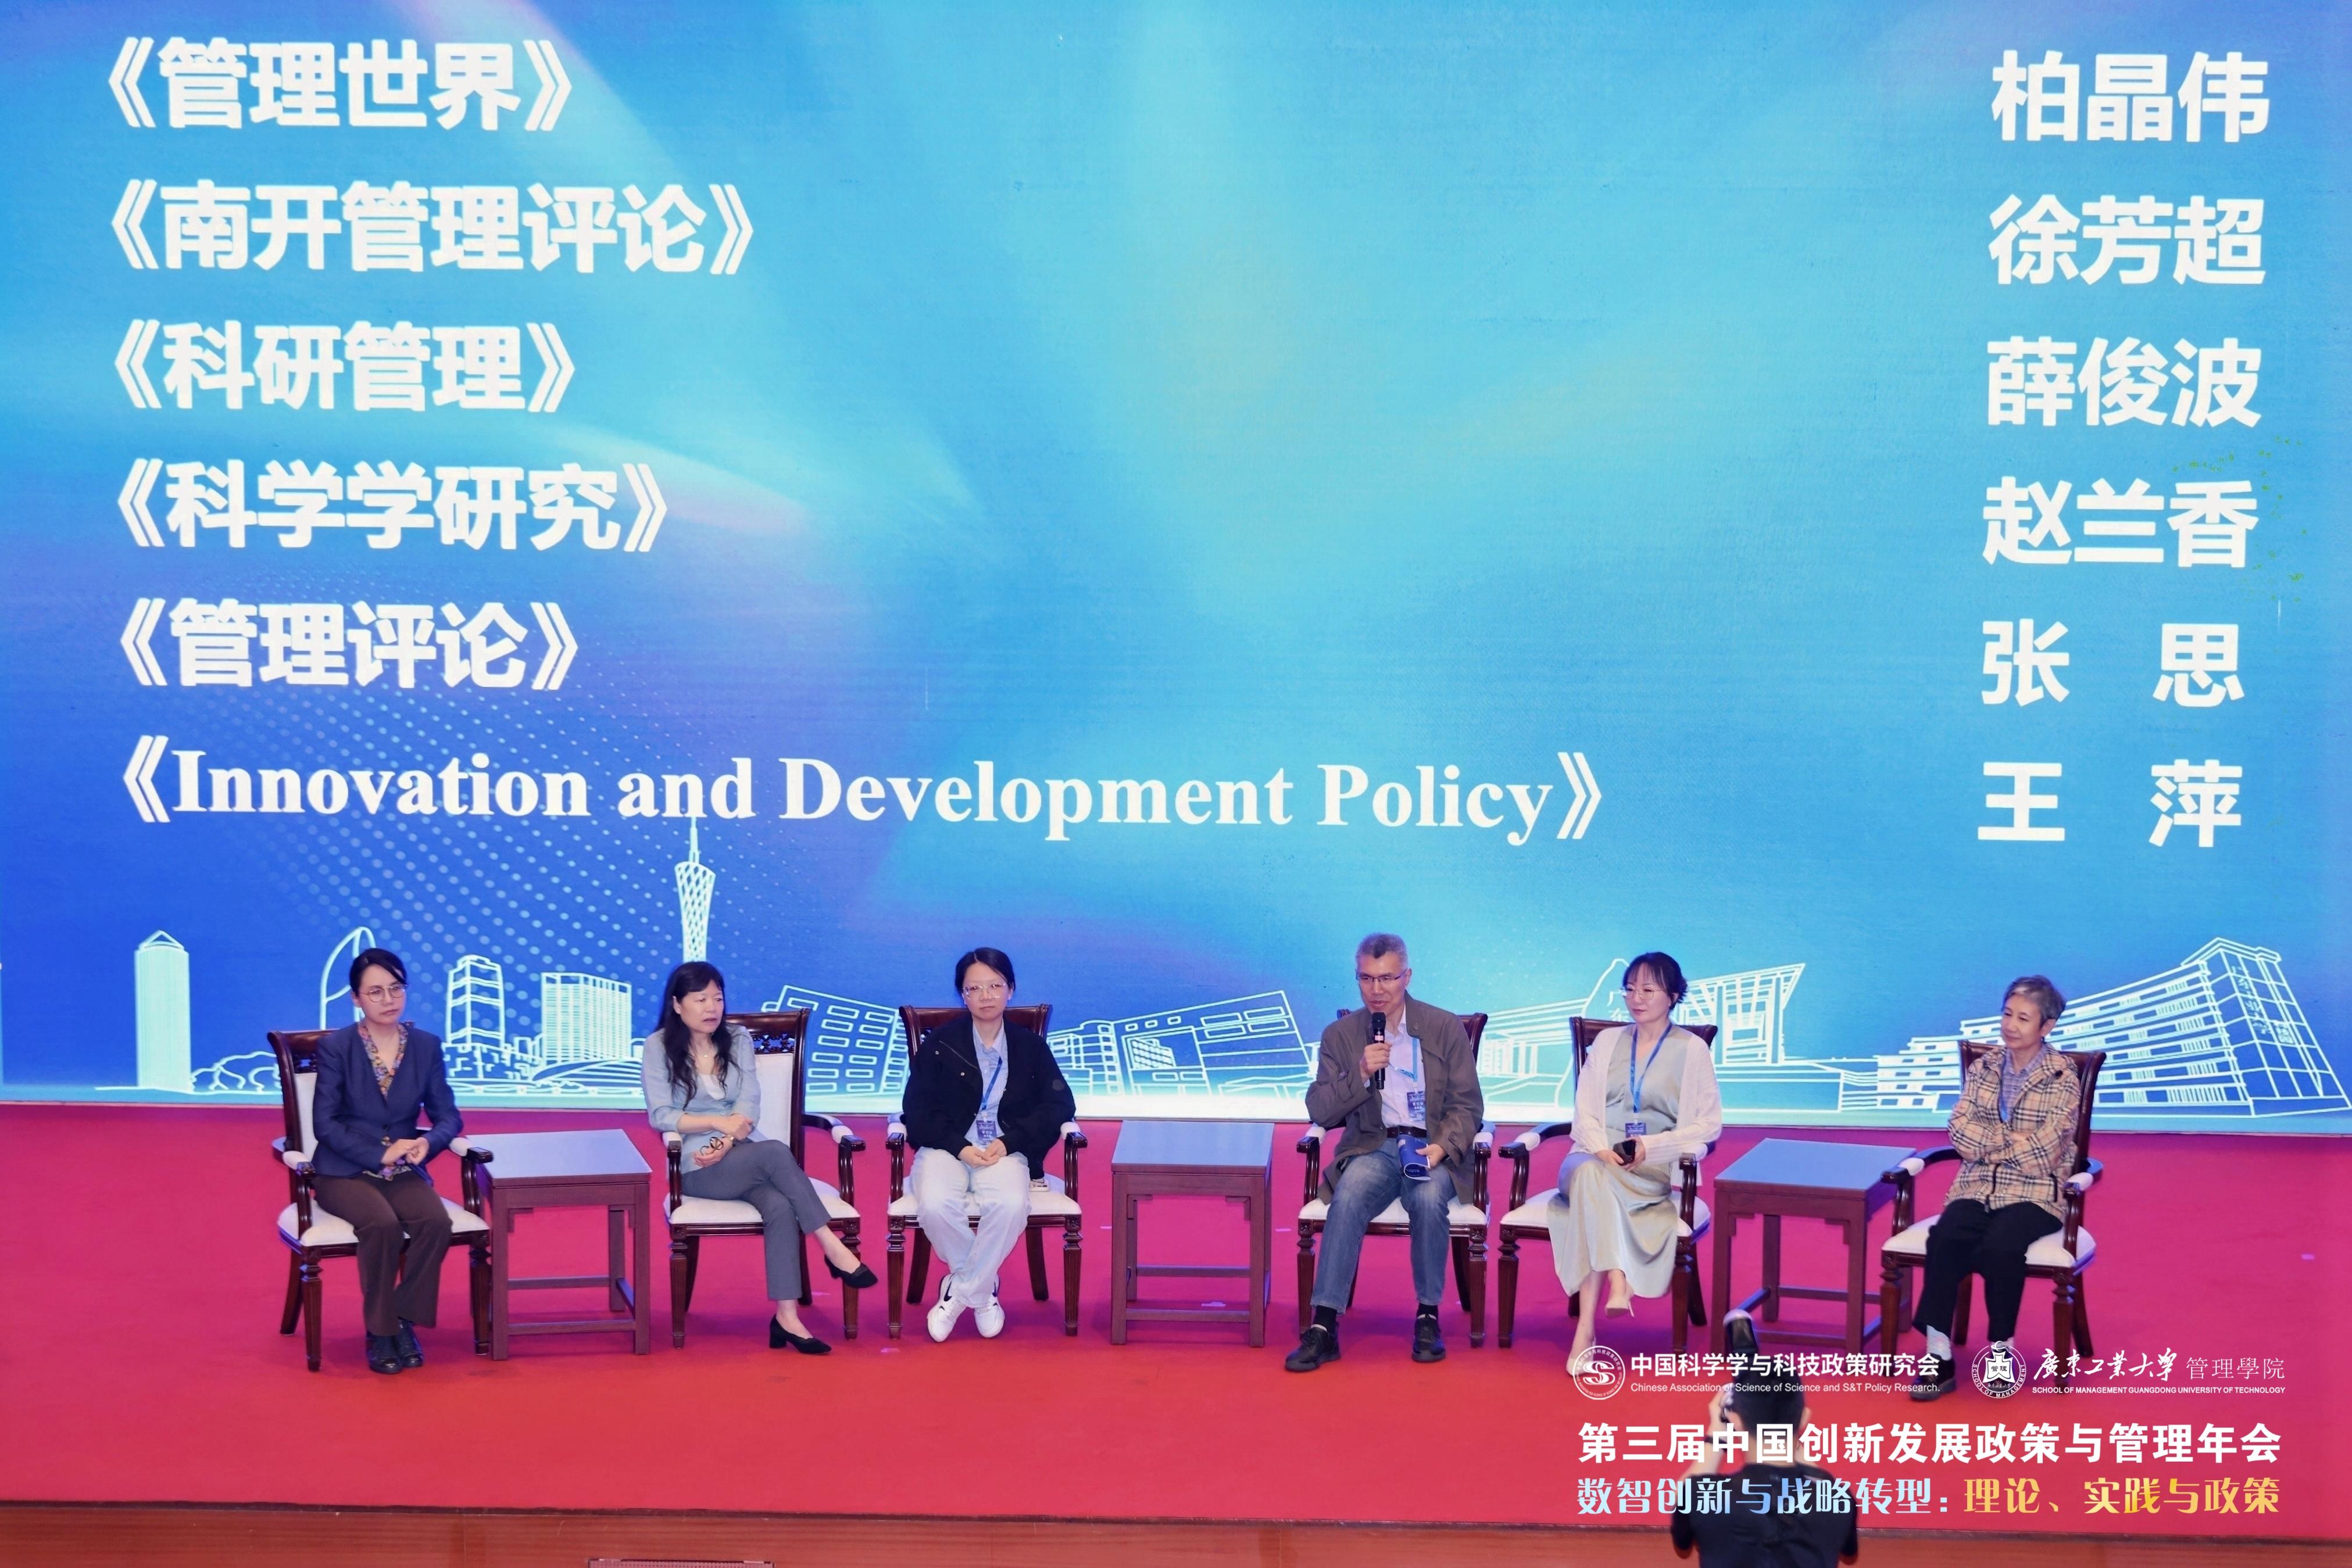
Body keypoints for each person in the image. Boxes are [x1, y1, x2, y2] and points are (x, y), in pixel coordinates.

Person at [642, 961, 877, 1352]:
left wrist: (728, 1139)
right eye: (700, 999)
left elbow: (749, 1102)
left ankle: (787, 1318)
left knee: (780, 1204)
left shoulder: (737, 1039)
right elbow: (661, 1115)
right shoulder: (658, 1046)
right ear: (678, 1004)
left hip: (744, 1153)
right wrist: (717, 1125)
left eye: (718, 998)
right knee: (777, 1152)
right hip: (698, 1166)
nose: (712, 1007)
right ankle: (831, 1245)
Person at [1285, 932, 1484, 1372]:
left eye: (1387, 978)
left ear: (1406, 977)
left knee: (1428, 1197)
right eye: (1366, 979)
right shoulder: (1341, 1035)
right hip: (1374, 1145)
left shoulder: (1444, 1027)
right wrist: (1359, 1073)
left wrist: (1442, 1147)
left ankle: (1428, 1315)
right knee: (1349, 1194)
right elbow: (1320, 1110)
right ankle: (1323, 1324)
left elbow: (1468, 1105)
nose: (1377, 990)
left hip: (1431, 1145)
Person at [1550, 950, 1724, 1373]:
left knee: (1595, 1192)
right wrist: (1601, 1150)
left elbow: (1709, 1124)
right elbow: (1584, 1115)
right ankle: (1618, 1278)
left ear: (1674, 996)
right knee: (1591, 1174)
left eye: (1648, 989)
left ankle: (1586, 1333)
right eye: (1630, 989)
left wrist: (1654, 1147)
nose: (1636, 998)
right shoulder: (1607, 1042)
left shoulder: (1692, 1050)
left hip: (1648, 1167)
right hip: (1589, 1156)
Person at [1909, 975, 2079, 1401]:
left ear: (2047, 1026)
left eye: (2023, 1018)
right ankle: (1938, 1354)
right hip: (1976, 1184)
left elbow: (2046, 1153)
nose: (2010, 1025)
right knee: (1946, 1237)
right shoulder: (1983, 1068)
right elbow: (1958, 1130)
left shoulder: (2062, 1075)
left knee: (2002, 1246)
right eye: (2007, 1014)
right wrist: (2009, 1142)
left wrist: (1989, 1145)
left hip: (2034, 1193)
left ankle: (2001, 1351)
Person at [901, 947, 1077, 1342]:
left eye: (995, 986)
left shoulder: (1030, 1047)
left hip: (1003, 1150)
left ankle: (960, 1291)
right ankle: (983, 1291)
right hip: (947, 1147)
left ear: (1011, 989)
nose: (986, 996)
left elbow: (1060, 1104)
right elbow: (917, 1110)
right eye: (975, 988)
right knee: (934, 1204)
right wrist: (959, 1147)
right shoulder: (940, 1044)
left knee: (1011, 1205)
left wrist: (1010, 1141)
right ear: (962, 995)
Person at [309, 947, 463, 1376]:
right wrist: (378, 1153)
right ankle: (381, 1332)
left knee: (435, 1223)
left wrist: (428, 1142)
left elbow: (449, 1117)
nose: (388, 999)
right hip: (343, 1170)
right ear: (356, 998)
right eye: (375, 992)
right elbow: (324, 1124)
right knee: (381, 1225)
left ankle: (401, 1318)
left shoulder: (426, 1047)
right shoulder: (337, 1048)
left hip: (401, 1170)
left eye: (396, 989)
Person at [1671, 1309, 1861, 1566]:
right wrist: (1791, 1431)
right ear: (1803, 1419)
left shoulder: (1703, 1497)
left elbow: (1682, 1539)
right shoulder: (1838, 1500)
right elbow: (1848, 1553)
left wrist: (1717, 1434)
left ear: (1735, 1421)